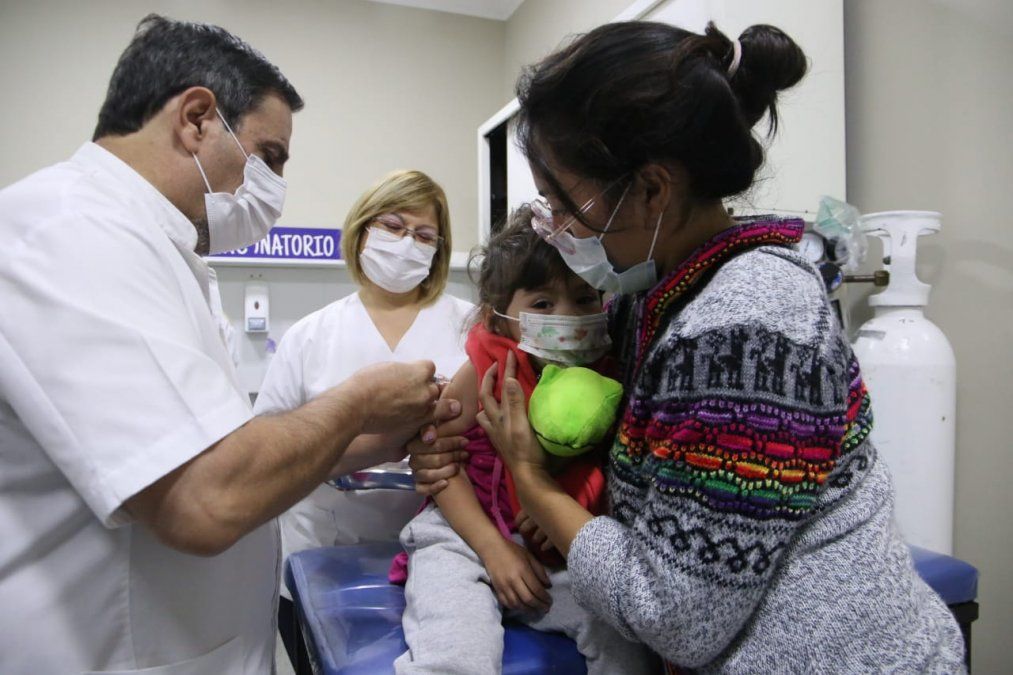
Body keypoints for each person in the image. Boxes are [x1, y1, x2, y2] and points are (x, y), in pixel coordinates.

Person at [469, 20, 966, 673]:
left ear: (651, 189)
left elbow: (676, 617)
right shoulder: (654, 289)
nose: (553, 228)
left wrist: (533, 482)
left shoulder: (747, 329)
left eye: (561, 202)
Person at [0, 15, 461, 674]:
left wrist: (386, 438)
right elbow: (206, 498)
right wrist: (359, 401)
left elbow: (238, 450)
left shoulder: (162, 252)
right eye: (268, 156)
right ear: (196, 119)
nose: (273, 187)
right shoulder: (71, 233)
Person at [391, 206, 657, 674]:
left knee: (622, 641)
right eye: (542, 304)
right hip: (463, 534)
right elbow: (438, 460)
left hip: (551, 552)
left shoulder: (608, 375)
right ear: (497, 317)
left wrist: (563, 503)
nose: (567, 316)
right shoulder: (485, 370)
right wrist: (492, 548)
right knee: (456, 647)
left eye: (583, 298)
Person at [254, 169, 474, 665]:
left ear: (439, 251)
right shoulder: (310, 336)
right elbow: (268, 456)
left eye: (424, 235)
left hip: (451, 563)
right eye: (393, 226)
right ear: (362, 230)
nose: (406, 243)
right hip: (322, 561)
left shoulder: (471, 326)